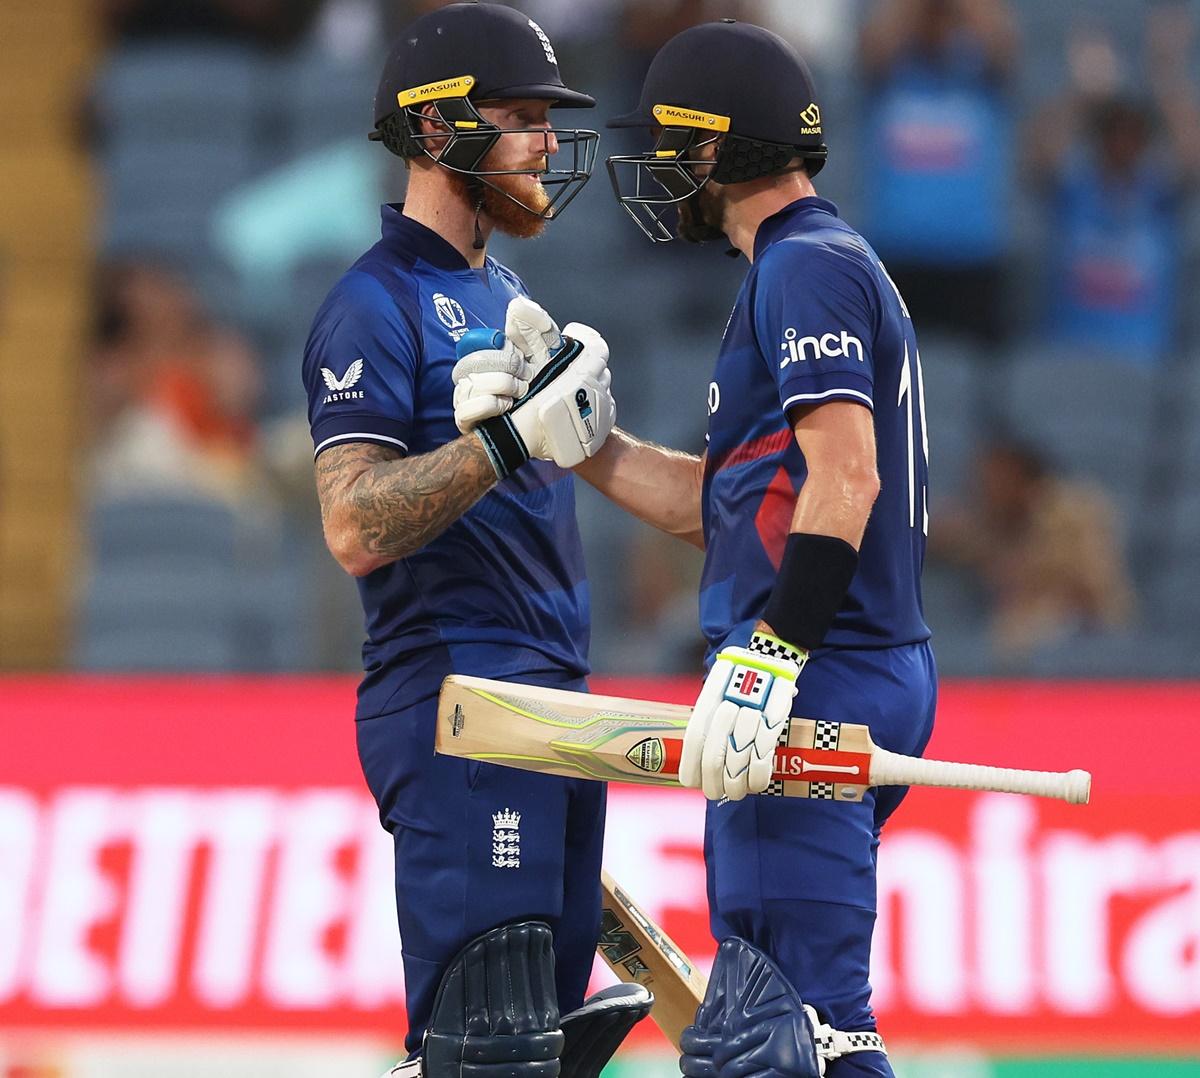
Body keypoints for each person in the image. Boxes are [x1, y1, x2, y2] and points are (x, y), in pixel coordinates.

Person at [457, 19, 935, 1077]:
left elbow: (845, 477)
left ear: (714, 150)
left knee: (787, 1033)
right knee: (791, 1022)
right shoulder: (810, 263)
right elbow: (723, 509)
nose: (660, 170)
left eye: (673, 145)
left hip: (821, 668)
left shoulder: (803, 268)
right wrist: (579, 444)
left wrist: (773, 656)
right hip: (851, 662)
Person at [301, 5, 647, 1076]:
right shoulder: (373, 302)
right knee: (482, 1049)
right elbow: (354, 524)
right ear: (440, 130)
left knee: (542, 1051)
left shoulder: (505, 293)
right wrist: (505, 447)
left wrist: (585, 442)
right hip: (462, 702)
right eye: (523, 117)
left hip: (548, 703)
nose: (549, 141)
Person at [1026, 9, 1200, 361]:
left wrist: (1166, 76)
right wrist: (1081, 95)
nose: (1123, 145)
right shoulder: (1076, 191)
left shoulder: (1158, 197)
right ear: (1099, 139)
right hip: (1070, 353)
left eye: (1133, 136)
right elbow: (1038, 153)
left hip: (1145, 360)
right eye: (1114, 135)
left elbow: (1191, 154)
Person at [858, 0, 1018, 350]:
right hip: (896, 254)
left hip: (972, 256)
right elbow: (873, 48)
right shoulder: (890, 75)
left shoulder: (982, 77)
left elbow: (1002, 44)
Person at [931, 438, 1134, 661]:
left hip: (1086, 627)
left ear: (1022, 476)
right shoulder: (992, 519)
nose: (989, 487)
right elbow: (955, 538)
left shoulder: (1074, 514)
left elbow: (1092, 587)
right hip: (1019, 636)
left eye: (998, 478)